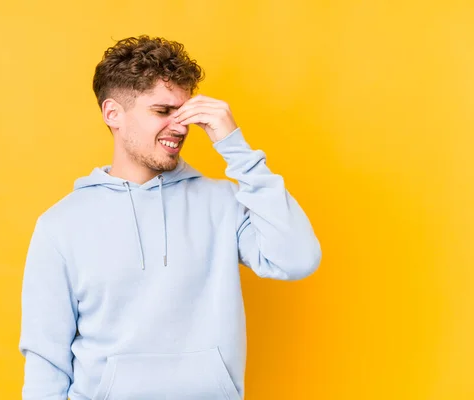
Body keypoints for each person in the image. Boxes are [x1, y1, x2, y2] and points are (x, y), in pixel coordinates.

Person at [19, 35, 322, 400]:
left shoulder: (224, 202)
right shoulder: (61, 225)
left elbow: (298, 260)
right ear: (112, 113)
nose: (180, 128)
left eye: (184, 114)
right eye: (163, 112)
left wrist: (236, 148)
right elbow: (45, 361)